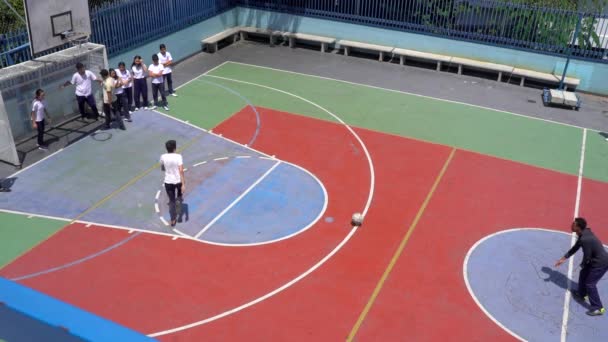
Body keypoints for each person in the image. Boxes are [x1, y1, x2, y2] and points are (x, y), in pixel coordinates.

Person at [555, 217, 608, 316]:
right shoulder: (583, 234)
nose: (572, 225)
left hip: (600, 263)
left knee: (590, 284)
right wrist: (563, 258)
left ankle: (598, 308)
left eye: (574, 224)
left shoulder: (585, 238)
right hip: (595, 260)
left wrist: (583, 264)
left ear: (578, 227)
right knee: (583, 273)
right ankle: (582, 294)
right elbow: (576, 247)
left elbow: (587, 256)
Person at [159, 140, 185, 227]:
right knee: (179, 196)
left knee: (172, 200)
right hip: (178, 181)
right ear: (174, 148)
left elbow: (162, 167)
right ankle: (180, 212)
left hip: (168, 181)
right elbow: (181, 170)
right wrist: (183, 183)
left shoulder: (163, 156)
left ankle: (173, 219)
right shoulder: (178, 156)